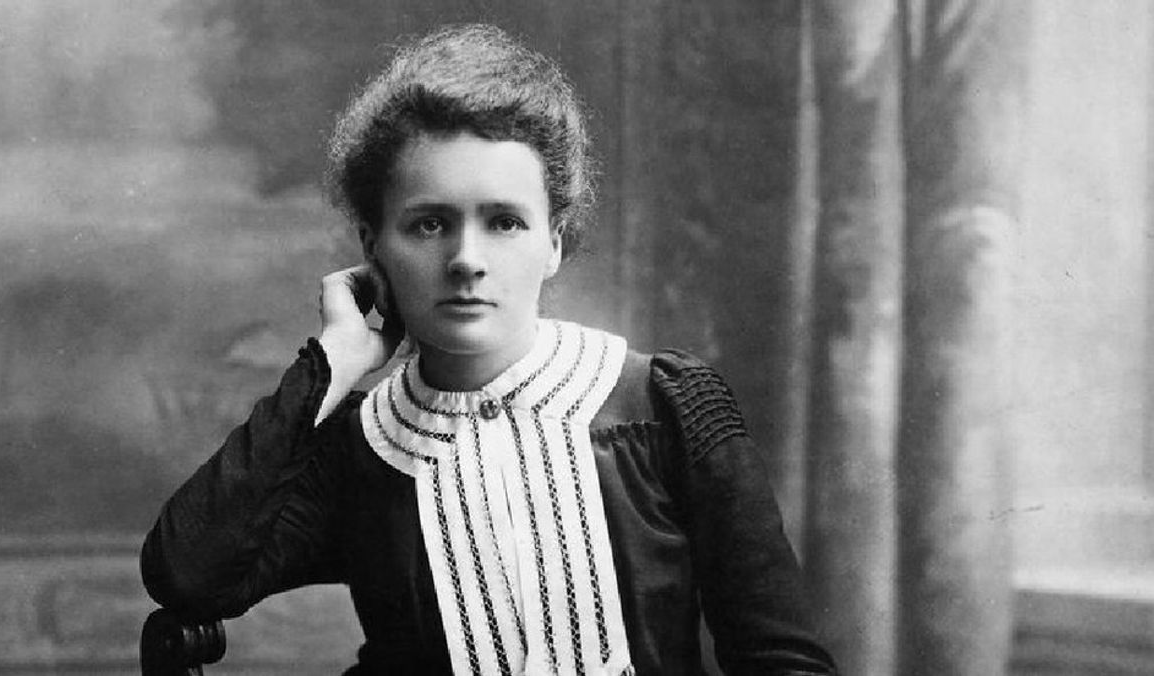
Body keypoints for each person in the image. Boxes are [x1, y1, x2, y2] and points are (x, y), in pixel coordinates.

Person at [141, 24, 837, 676]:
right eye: (429, 225)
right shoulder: (360, 448)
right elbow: (188, 573)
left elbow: (784, 660)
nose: (466, 260)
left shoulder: (665, 411)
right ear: (372, 249)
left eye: (504, 222)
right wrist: (330, 365)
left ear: (553, 244)